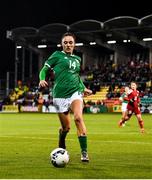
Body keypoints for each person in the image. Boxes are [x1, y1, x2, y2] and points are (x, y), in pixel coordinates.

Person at [39, 32, 92, 162]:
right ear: (62, 44)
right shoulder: (56, 56)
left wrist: (83, 88)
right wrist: (41, 79)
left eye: (70, 43)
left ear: (74, 44)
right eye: (66, 42)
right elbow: (44, 70)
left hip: (75, 92)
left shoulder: (78, 59)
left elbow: (76, 76)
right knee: (66, 127)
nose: (68, 45)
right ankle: (62, 139)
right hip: (59, 95)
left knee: (78, 118)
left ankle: (84, 153)